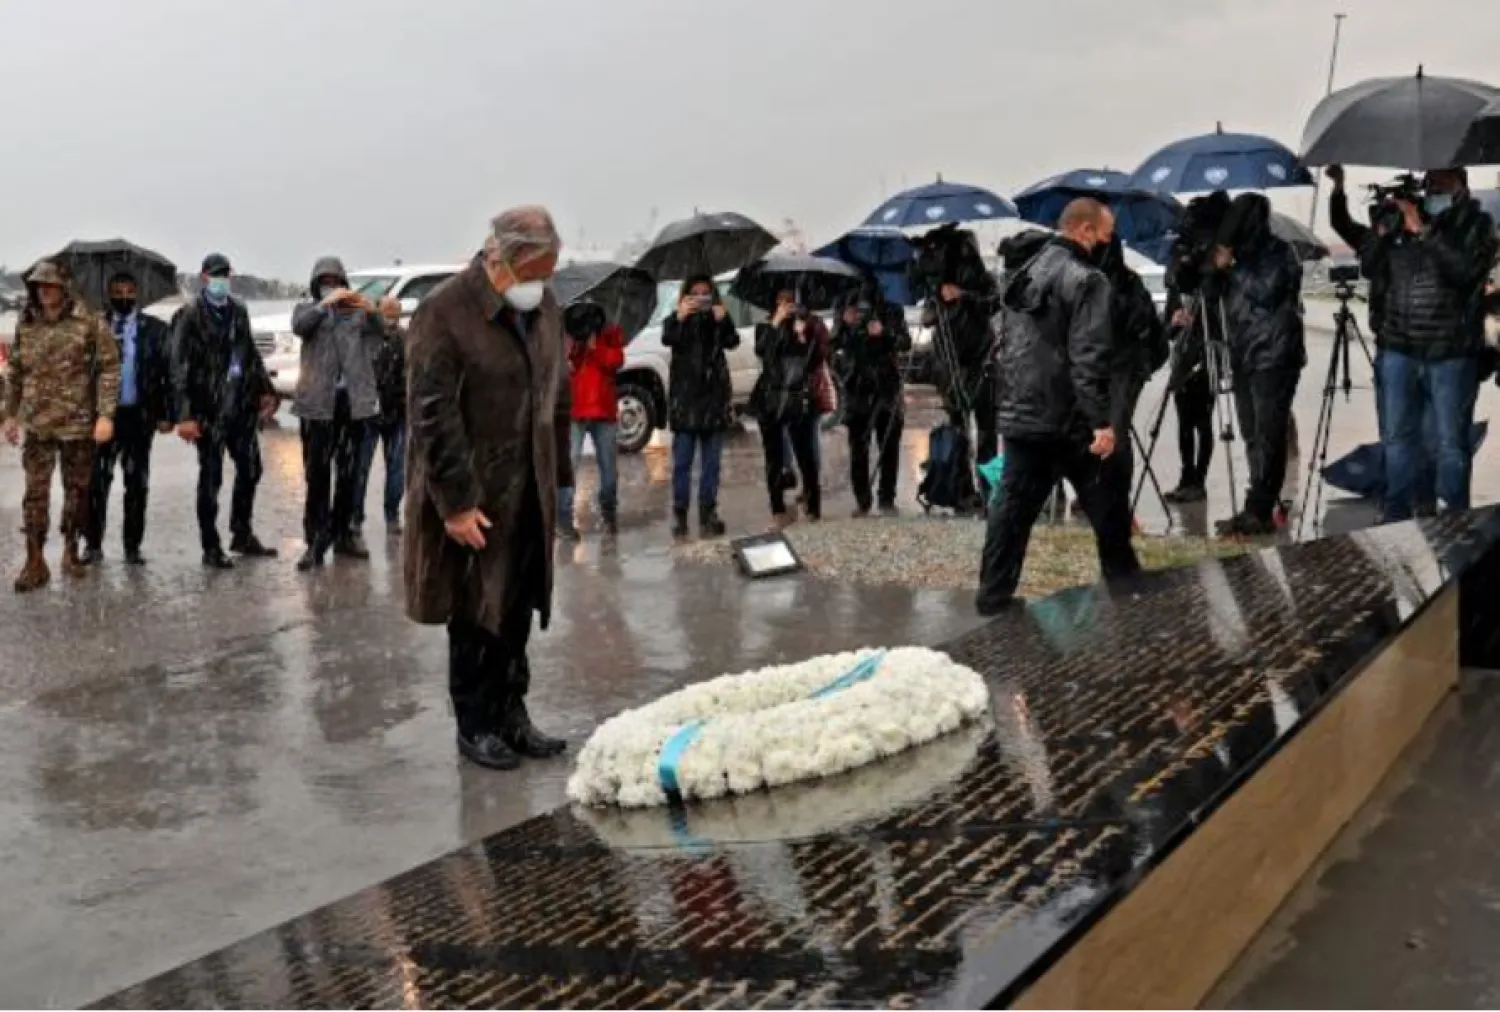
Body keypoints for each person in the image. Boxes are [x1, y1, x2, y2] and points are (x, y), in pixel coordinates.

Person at [404, 206, 572, 771]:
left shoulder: (546, 307)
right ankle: (475, 723)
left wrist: (561, 480)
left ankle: (513, 714)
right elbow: (431, 414)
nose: (539, 285)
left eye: (548, 273)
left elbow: (556, 394)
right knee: (477, 609)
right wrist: (455, 503)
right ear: (499, 258)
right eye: (532, 273)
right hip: (475, 490)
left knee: (519, 603)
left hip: (528, 486)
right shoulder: (445, 312)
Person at [976, 199, 1139, 616]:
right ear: (1085, 231)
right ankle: (1130, 597)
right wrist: (1101, 422)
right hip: (1071, 420)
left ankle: (993, 597)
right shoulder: (1088, 280)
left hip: (1022, 414)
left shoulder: (1022, 273)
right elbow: (1088, 358)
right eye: (1107, 233)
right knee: (1109, 510)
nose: (1109, 241)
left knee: (1011, 511)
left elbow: (1010, 348)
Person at [1332, 165, 1496, 521]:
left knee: (1450, 445)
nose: (1432, 188)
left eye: (1441, 182)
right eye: (1429, 182)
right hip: (1398, 349)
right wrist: (1383, 231)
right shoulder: (1401, 224)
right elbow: (1373, 268)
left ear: (1461, 186)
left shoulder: (1476, 224)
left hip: (1451, 352)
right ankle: (1397, 516)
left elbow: (1465, 273)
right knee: (1397, 439)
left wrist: (1423, 232)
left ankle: (1454, 519)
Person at [3, 260, 120, 592]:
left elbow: (110, 369)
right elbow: (14, 374)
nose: (44, 291)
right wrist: (9, 416)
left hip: (77, 424)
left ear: (64, 288)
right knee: (34, 495)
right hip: (38, 424)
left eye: (50, 285)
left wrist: (105, 415)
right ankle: (34, 561)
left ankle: (70, 551)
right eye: (39, 286)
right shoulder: (27, 323)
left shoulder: (88, 321)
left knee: (77, 492)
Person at [172, 253, 280, 569]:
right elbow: (179, 367)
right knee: (211, 478)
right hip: (207, 410)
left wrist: (265, 390)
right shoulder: (189, 316)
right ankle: (210, 545)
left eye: (225, 275)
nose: (221, 280)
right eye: (215, 275)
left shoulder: (238, 311)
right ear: (204, 278)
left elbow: (249, 355)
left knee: (251, 470)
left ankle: (241, 532)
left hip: (240, 407)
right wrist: (185, 414)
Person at [1212, 193, 1307, 537]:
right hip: (1243, 355)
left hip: (1275, 355)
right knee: (1251, 434)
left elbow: (1266, 291)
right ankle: (1256, 505)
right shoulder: (1240, 256)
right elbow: (1212, 292)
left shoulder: (1279, 252)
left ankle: (1261, 509)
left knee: (1269, 435)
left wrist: (1233, 267)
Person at [289, 257, 386, 570]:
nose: (331, 285)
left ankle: (343, 534)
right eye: (325, 280)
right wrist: (323, 306)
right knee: (317, 477)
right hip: (317, 407)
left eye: (336, 280)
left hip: (351, 406)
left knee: (349, 476)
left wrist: (370, 308)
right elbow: (299, 328)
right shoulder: (307, 310)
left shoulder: (357, 313)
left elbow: (378, 335)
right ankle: (314, 540)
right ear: (316, 283)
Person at [83, 271, 175, 566]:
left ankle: (132, 546)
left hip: (139, 415)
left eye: (129, 290)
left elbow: (166, 374)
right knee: (97, 482)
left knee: (136, 483)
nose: (124, 295)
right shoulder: (95, 327)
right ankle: (93, 545)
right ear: (108, 294)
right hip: (103, 418)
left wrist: (165, 413)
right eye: (117, 290)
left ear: (137, 293)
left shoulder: (156, 329)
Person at [1095, 234, 1169, 523]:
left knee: (1115, 432)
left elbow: (1143, 329)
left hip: (1124, 367)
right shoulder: (1087, 281)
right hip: (1098, 367)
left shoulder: (1127, 284)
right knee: (1094, 431)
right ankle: (1097, 493)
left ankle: (1118, 503)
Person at [661, 275, 738, 538]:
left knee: (712, 463)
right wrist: (680, 317)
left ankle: (708, 512)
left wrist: (723, 319)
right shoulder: (676, 319)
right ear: (686, 296)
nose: (701, 297)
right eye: (695, 293)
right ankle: (680, 515)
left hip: (713, 399)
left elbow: (732, 341)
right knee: (682, 462)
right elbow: (667, 338)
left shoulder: (717, 318)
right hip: (685, 401)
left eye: (706, 293)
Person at [920, 253, 999, 500]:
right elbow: (927, 319)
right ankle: (960, 488)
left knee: (987, 432)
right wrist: (939, 302)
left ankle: (988, 491)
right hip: (952, 369)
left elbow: (994, 304)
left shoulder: (982, 280)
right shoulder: (937, 286)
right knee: (958, 430)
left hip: (981, 364)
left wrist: (964, 296)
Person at [832, 285, 910, 516]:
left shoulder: (892, 309)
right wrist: (847, 325)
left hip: (887, 387)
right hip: (857, 388)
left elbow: (904, 342)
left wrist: (884, 332)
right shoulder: (846, 304)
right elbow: (836, 344)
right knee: (858, 448)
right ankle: (862, 500)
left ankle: (887, 499)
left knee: (889, 445)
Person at [752, 289, 827, 527]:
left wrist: (806, 335)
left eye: (791, 300)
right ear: (775, 302)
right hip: (772, 397)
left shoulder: (806, 325)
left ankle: (814, 506)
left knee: (807, 454)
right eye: (782, 299)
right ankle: (777, 509)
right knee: (774, 456)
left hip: (799, 396)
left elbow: (816, 360)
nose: (787, 305)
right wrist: (776, 324)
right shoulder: (765, 326)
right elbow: (763, 351)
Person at [558, 300, 625, 539]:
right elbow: (566, 368)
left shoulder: (610, 331)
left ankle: (609, 511)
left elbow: (616, 362)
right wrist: (575, 347)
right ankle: (563, 519)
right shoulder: (568, 332)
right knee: (569, 464)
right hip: (575, 410)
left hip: (604, 411)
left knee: (608, 467)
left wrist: (596, 347)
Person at [352, 295, 409, 537]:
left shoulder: (406, 339)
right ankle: (355, 517)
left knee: (396, 468)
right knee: (360, 468)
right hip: (368, 414)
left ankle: (392, 515)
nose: (391, 319)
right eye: (387, 314)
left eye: (395, 315)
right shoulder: (365, 338)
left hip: (397, 413)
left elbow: (412, 372)